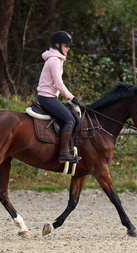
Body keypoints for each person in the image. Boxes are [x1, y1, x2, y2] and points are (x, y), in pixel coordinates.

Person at [37, 31, 84, 163]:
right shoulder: (55, 61)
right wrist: (72, 98)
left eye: (69, 46)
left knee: (72, 114)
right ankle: (63, 154)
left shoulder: (56, 60)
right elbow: (59, 84)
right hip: (47, 98)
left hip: (50, 97)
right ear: (57, 45)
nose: (68, 48)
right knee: (70, 120)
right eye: (66, 45)